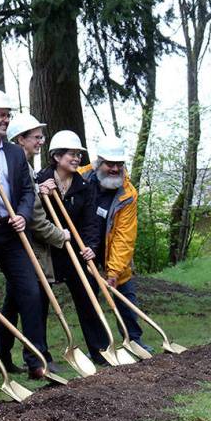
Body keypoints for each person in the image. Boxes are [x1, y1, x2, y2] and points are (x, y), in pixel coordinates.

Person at [0, 90, 49, 382]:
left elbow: (27, 191)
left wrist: (23, 215)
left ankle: (36, 359)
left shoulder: (15, 154)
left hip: (12, 232)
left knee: (30, 291)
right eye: (0, 114)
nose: (5, 119)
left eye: (7, 114)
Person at [0, 113, 69, 374]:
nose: (41, 141)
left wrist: (41, 185)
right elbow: (35, 218)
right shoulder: (19, 166)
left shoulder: (27, 168)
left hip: (24, 246)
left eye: (41, 136)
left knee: (14, 302)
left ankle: (3, 356)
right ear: (20, 139)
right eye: (36, 137)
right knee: (31, 299)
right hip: (27, 247)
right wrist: (61, 236)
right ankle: (36, 357)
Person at [37, 131, 109, 362]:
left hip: (74, 251)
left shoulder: (84, 186)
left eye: (79, 154)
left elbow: (90, 222)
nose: (77, 158)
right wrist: (41, 192)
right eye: (71, 154)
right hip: (47, 251)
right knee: (38, 303)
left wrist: (90, 247)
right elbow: (34, 215)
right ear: (57, 156)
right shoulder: (40, 180)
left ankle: (100, 350)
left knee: (88, 296)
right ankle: (40, 357)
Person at [80, 136, 148, 350]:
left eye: (119, 164)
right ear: (99, 162)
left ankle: (133, 339)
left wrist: (114, 272)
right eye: (110, 163)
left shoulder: (127, 193)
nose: (115, 168)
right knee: (88, 296)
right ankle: (98, 347)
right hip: (84, 247)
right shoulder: (80, 178)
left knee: (125, 290)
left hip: (112, 247)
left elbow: (124, 236)